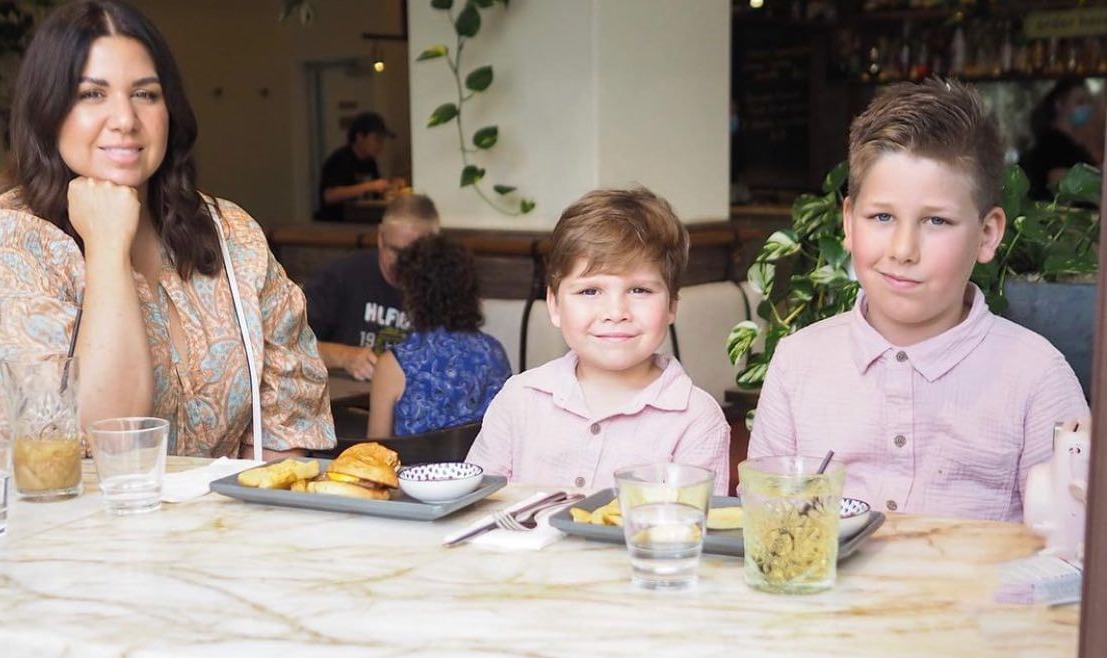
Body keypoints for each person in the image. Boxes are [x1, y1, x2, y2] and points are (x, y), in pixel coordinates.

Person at [0, 0, 335, 460]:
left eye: (146, 94)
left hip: (209, 528)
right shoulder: (4, 247)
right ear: (47, 110)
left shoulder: (233, 235)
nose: (126, 119)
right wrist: (108, 245)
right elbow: (108, 442)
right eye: (92, 94)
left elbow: (286, 440)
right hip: (51, 529)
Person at [748, 78, 1089, 522]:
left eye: (937, 221)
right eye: (883, 216)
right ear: (849, 223)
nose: (903, 249)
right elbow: (764, 522)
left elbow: (1069, 551)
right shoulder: (798, 364)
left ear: (987, 235)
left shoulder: (1037, 378)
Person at [466, 187, 731, 492]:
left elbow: (689, 528)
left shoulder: (696, 418)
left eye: (639, 290)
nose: (616, 312)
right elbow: (478, 506)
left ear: (672, 305)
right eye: (590, 291)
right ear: (554, 305)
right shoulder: (520, 398)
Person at [366, 235, 513, 437]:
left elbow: (375, 449)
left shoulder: (393, 365)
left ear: (413, 295)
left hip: (414, 468)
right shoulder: (494, 352)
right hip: (481, 469)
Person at [304, 194, 441, 381]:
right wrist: (344, 356)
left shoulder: (443, 287)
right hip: (349, 400)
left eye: (414, 254)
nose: (403, 262)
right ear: (380, 238)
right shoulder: (343, 276)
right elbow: (288, 345)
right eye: (395, 251)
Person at [1021, 77, 1103, 200]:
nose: (1087, 108)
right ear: (1059, 104)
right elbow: (1059, 183)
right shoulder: (1053, 144)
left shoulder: (1068, 144)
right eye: (1080, 102)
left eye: (1088, 102)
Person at [314, 111, 400, 222]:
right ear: (360, 137)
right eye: (377, 139)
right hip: (337, 224)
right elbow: (329, 196)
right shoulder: (339, 159)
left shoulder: (370, 162)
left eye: (382, 140)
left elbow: (375, 191)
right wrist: (368, 186)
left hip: (363, 221)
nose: (381, 145)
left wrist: (390, 186)